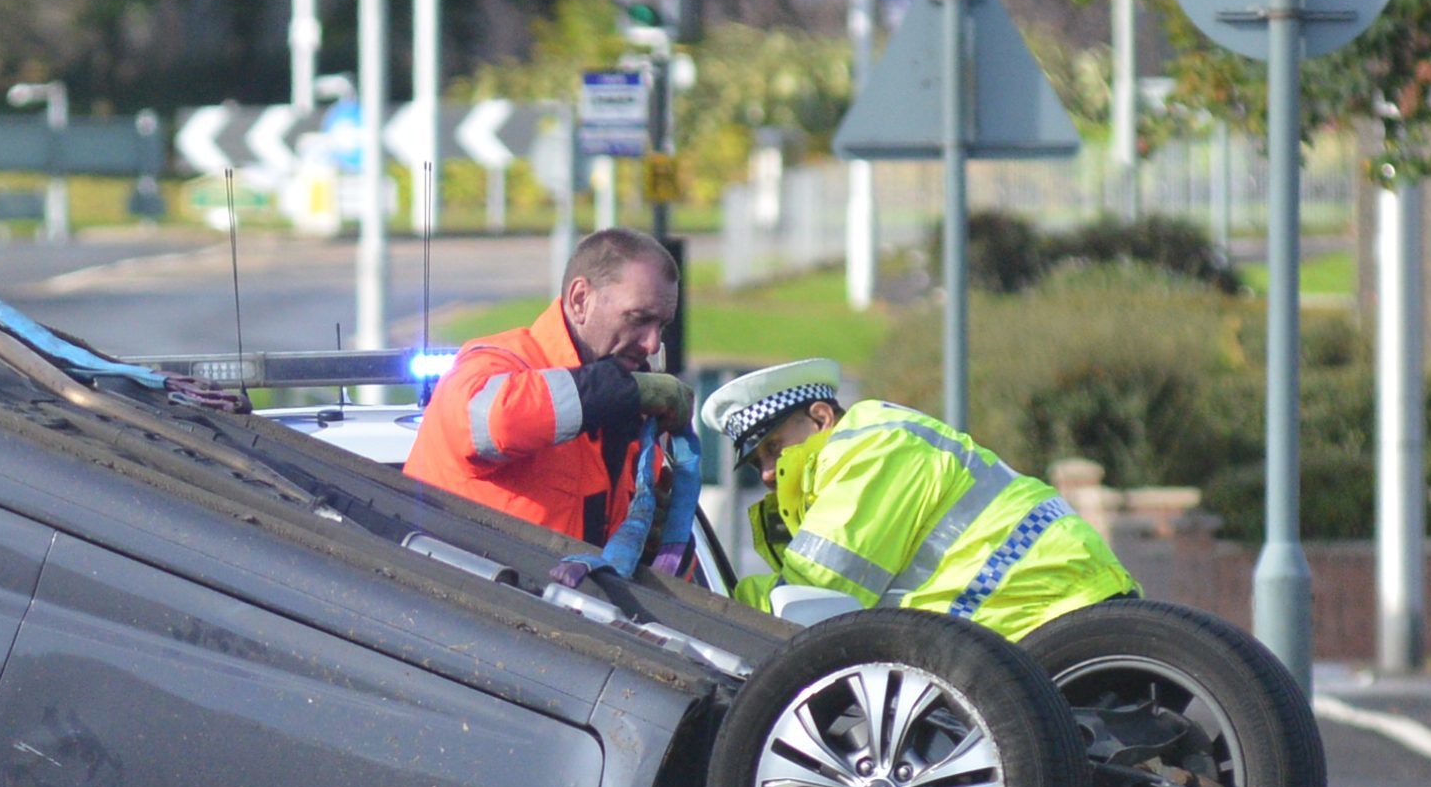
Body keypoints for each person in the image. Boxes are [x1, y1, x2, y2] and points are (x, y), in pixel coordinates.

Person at [699, 359, 1137, 638]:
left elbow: (813, 598)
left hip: (1053, 611)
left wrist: (706, 603)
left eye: (774, 447)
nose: (769, 472)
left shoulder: (870, 453)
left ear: (820, 417)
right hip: (1044, 612)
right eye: (757, 462)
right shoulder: (870, 443)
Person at [404, 228, 703, 584]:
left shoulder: (632, 427)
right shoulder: (494, 364)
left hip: (561, 632)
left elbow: (672, 597)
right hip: (453, 624)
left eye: (662, 325)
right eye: (638, 319)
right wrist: (621, 390)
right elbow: (498, 422)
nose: (653, 344)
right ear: (579, 300)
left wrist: (668, 552)